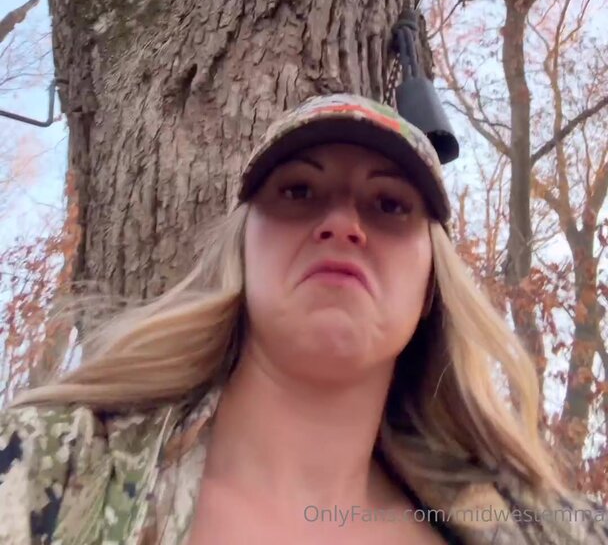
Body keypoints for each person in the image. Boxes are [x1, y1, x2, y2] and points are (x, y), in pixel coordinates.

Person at [0, 93, 605, 544]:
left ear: (431, 287)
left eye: (390, 204)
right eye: (298, 192)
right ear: (241, 254)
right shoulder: (44, 465)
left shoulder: (547, 531)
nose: (342, 225)